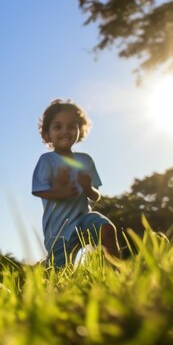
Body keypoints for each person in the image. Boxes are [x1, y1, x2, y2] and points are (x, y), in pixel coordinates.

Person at [32, 99, 119, 267]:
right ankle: (45, 270)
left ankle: (117, 274)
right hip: (59, 229)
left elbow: (95, 196)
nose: (65, 131)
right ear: (47, 133)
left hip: (84, 218)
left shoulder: (85, 160)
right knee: (60, 270)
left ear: (80, 129)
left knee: (107, 229)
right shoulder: (47, 160)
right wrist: (61, 192)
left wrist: (87, 187)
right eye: (58, 126)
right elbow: (39, 190)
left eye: (72, 126)